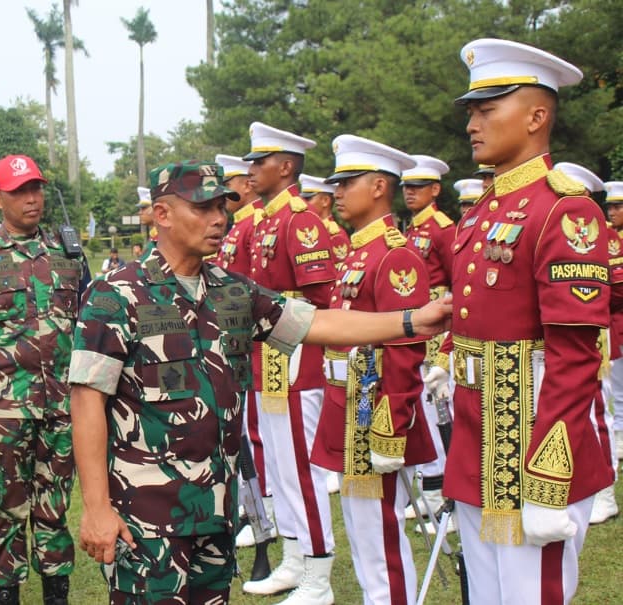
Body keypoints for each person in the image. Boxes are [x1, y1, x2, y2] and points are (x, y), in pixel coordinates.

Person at [69, 160, 451, 605]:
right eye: (203, 207)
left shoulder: (233, 291)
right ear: (162, 214)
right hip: (147, 519)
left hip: (216, 511)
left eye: (222, 207)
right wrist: (97, 508)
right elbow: (86, 401)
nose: (218, 219)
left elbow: (318, 324)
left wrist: (411, 320)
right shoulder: (116, 293)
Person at [446, 38, 614, 604]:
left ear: (537, 116)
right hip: (478, 432)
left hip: (533, 437)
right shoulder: (485, 209)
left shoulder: (564, 210)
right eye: (472, 110)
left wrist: (548, 478)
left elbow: (576, 356)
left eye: (488, 109)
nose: (473, 122)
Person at [0, 155, 85, 605]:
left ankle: (56, 596)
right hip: (4, 413)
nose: (32, 199)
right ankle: (8, 596)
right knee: (9, 510)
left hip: (62, 410)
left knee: (55, 509)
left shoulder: (67, 255)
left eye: (37, 189)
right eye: (21, 191)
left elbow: (85, 326)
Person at [310, 135, 436, 605]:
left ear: (380, 185)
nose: (337, 192)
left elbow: (405, 348)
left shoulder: (395, 254)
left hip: (372, 414)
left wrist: (391, 427)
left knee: (379, 538)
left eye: (348, 182)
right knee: (362, 534)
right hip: (348, 407)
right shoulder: (358, 252)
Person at [243, 122, 338, 602]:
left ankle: (319, 575)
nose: (251, 169)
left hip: (295, 361)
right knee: (279, 469)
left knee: (301, 469)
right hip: (267, 360)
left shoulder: (300, 221)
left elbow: (323, 299)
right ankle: (295, 557)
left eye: (260, 161)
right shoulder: (264, 220)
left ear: (285, 166)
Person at [552, 162, 620, 526]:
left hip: (590, 333)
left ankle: (605, 490)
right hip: (556, 336)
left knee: (596, 410)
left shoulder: (602, 235)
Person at [213, 152, 274, 548]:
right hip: (235, 335)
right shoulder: (242, 226)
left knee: (260, 436)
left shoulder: (256, 224)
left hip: (257, 334)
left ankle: (261, 504)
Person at [400, 155, 455, 533]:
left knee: (439, 408)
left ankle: (441, 494)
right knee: (422, 404)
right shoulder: (413, 229)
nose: (409, 193)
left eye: (417, 187)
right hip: (418, 320)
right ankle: (429, 487)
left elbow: (457, 287)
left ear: (435, 190)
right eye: (405, 187)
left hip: (437, 326)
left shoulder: (442, 228)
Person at [299, 174, 349, 273]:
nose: (303, 204)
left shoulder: (335, 235)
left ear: (325, 201)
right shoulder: (306, 231)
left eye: (308, 199)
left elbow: (339, 277)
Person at [606, 180, 623, 464]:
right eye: (609, 206)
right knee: (618, 385)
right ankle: (619, 434)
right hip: (614, 319)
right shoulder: (605, 236)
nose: (612, 212)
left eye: (618, 206)